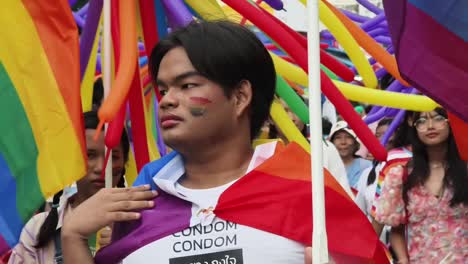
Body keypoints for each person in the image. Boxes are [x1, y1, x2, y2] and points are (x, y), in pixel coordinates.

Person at [61, 21, 385, 264]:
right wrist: (73, 237)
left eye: (187, 85)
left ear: (241, 96)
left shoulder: (307, 191)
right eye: (163, 90)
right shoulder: (141, 203)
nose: (168, 101)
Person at [8, 111, 129, 264]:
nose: (101, 167)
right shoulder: (37, 229)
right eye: (89, 155)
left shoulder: (142, 227)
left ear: (124, 162)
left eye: (112, 157)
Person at [375, 108, 468, 263]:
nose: (430, 126)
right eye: (422, 121)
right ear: (414, 127)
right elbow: (396, 229)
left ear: (451, 122)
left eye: (438, 118)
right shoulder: (401, 176)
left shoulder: (465, 171)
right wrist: (403, 259)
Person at [267, 98, 353, 198]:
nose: (292, 118)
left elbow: (343, 193)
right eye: (284, 111)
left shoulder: (325, 149)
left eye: (296, 110)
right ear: (270, 118)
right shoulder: (261, 153)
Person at [355, 118, 394, 243]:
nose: (384, 139)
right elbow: (359, 212)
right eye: (378, 135)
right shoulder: (367, 174)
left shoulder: (408, 167)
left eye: (389, 133)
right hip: (376, 242)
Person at [329, 121, 372, 191]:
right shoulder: (325, 167)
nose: (343, 142)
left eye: (348, 137)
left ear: (355, 142)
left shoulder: (367, 166)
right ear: (332, 143)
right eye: (338, 137)